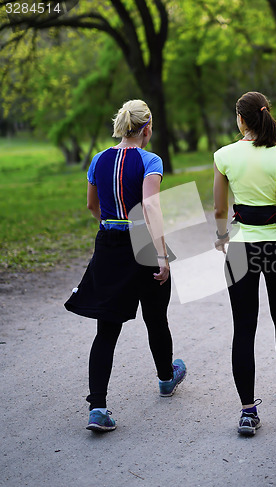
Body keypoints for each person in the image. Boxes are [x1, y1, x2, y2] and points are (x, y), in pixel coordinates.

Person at [65, 99, 186, 432]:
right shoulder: (150, 160)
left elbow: (93, 205)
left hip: (109, 243)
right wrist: (161, 255)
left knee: (106, 329)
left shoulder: (98, 159)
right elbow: (150, 209)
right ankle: (165, 378)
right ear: (146, 129)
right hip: (144, 242)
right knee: (156, 317)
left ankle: (98, 408)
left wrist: (112, 225)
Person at [213, 91, 276, 436]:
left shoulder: (223, 156)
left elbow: (221, 209)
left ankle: (248, 412)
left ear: (240, 119)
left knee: (244, 328)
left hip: (240, 249)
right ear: (265, 114)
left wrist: (222, 235)